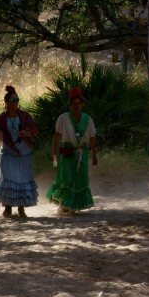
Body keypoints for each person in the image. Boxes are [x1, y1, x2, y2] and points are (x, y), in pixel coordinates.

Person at [0, 86, 39, 218]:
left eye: (17, 99)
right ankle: (8, 208)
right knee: (8, 180)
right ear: (6, 102)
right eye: (13, 100)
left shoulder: (25, 116)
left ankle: (21, 209)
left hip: (23, 153)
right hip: (7, 153)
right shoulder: (1, 118)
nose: (16, 102)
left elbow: (34, 130)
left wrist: (27, 133)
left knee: (22, 180)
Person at [48, 87, 98, 215]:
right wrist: (53, 150)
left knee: (80, 179)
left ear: (82, 105)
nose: (76, 106)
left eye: (78, 104)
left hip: (82, 153)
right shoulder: (63, 118)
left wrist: (94, 155)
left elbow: (92, 138)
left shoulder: (88, 119)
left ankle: (73, 206)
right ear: (70, 105)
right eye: (74, 104)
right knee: (67, 178)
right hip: (67, 153)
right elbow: (57, 136)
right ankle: (65, 205)